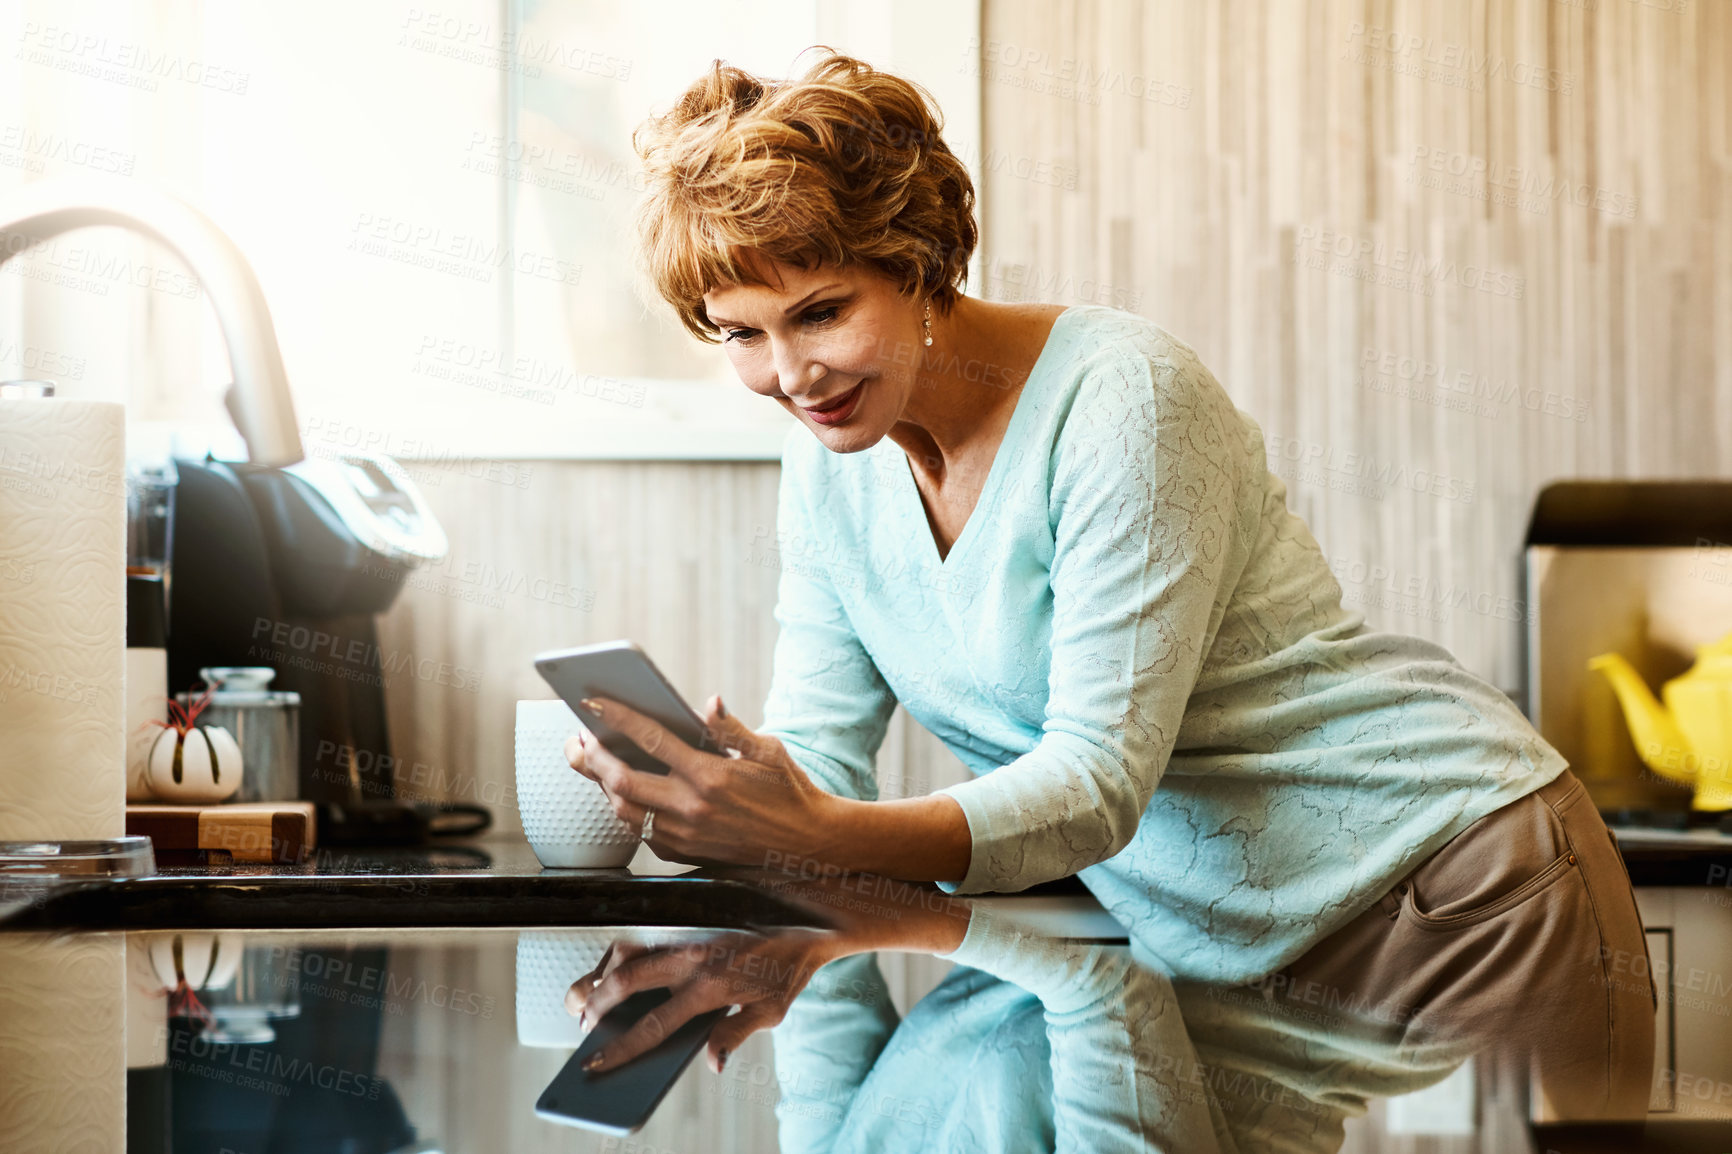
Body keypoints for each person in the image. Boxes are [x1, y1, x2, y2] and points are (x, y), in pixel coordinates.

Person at [563, 48, 1655, 1130]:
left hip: (1452, 887)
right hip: (1212, 936)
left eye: (819, 311)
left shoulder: (1122, 399)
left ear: (918, 261)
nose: (790, 375)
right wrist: (730, 808)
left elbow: (1093, 787)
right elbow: (819, 752)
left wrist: (812, 826)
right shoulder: (828, 467)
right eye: (741, 333)